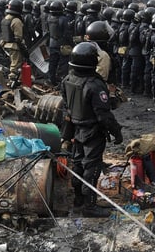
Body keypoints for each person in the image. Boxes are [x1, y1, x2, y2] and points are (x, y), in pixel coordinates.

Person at [60, 42, 123, 217]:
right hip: (93, 131)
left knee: (78, 163)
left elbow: (66, 107)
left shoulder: (67, 80)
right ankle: (90, 206)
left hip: (76, 129)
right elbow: (104, 115)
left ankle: (79, 199)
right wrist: (116, 131)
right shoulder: (95, 85)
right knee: (92, 168)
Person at [0, 0, 26, 87]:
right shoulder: (16, 21)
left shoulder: (5, 19)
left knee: (12, 62)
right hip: (14, 46)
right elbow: (18, 38)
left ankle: (14, 80)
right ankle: (12, 82)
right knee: (15, 64)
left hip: (6, 44)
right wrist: (23, 49)